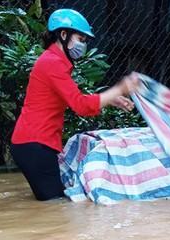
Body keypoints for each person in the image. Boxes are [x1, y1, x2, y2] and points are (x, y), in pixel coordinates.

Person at [11, 9, 140, 201]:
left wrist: (109, 99)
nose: (83, 45)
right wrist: (119, 89)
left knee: (50, 205)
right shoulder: (52, 63)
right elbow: (80, 105)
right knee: (56, 208)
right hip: (35, 145)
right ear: (64, 35)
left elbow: (72, 98)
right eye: (80, 39)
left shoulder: (53, 61)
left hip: (32, 144)